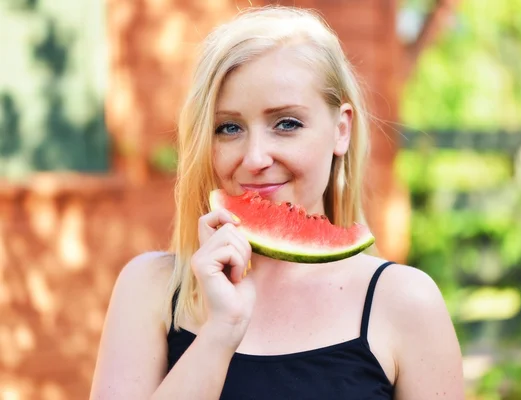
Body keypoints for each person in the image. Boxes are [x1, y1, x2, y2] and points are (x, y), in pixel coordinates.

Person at [90, 6, 464, 399]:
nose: (254, 158)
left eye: (286, 123)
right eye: (228, 128)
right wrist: (221, 331)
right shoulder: (151, 291)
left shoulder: (405, 302)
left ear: (341, 130)